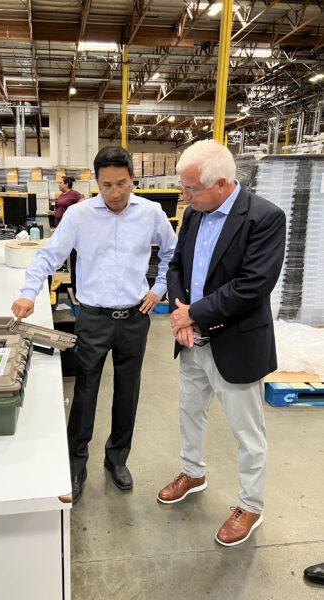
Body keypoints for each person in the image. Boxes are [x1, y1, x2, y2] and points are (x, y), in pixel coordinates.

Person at [12, 146, 177, 504]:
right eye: (107, 185)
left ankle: (117, 459)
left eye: (122, 184)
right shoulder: (78, 214)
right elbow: (49, 255)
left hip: (136, 318)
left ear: (133, 179)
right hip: (93, 318)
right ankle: (76, 462)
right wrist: (28, 292)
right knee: (85, 390)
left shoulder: (151, 212)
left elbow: (171, 254)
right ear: (95, 182)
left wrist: (159, 288)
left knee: (127, 391)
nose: (115, 193)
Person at [158, 139, 286, 546]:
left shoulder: (265, 218)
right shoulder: (195, 214)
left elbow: (253, 286)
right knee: (189, 413)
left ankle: (250, 505)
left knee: (247, 432)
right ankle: (193, 473)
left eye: (191, 188)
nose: (184, 195)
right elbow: (176, 264)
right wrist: (181, 313)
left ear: (223, 184)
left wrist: (193, 314)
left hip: (235, 343)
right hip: (192, 340)